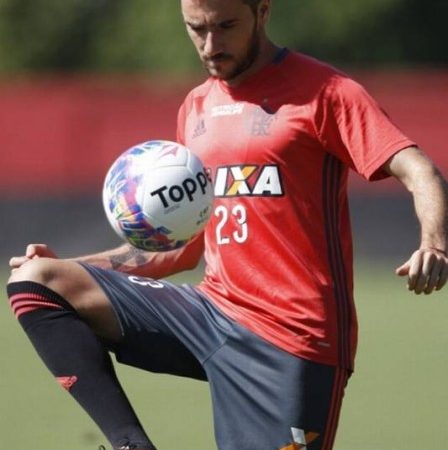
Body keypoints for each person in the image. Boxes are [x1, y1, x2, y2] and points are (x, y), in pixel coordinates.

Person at [7, 0, 448, 449]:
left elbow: (419, 170)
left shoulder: (326, 91)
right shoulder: (196, 106)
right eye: (196, 28)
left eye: (226, 26)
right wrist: (77, 266)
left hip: (292, 342)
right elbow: (184, 247)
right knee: (39, 281)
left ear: (263, 11)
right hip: (211, 316)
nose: (210, 44)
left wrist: (434, 244)